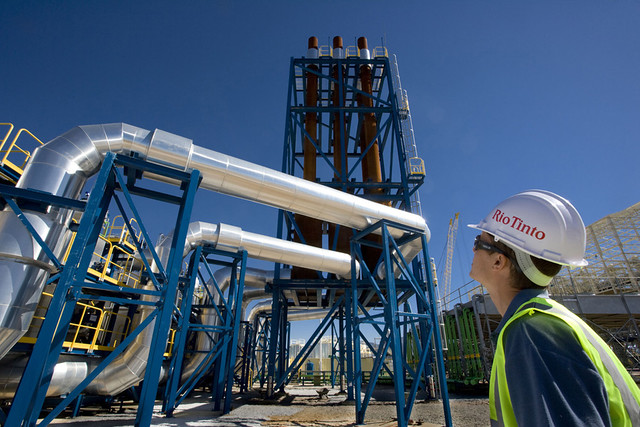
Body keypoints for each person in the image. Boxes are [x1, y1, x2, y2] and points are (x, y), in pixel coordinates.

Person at [468, 189, 640, 426]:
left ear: (499, 261)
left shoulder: (534, 333)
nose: (474, 249)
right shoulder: (548, 320)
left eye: (480, 241)